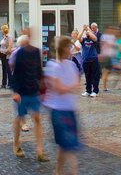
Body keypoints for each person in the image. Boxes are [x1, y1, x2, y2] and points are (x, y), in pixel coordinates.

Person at [44, 36, 82, 175]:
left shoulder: (71, 65)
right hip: (58, 111)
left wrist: (68, 87)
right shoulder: (52, 66)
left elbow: (76, 84)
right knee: (68, 146)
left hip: (70, 109)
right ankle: (74, 172)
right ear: (64, 49)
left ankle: (58, 172)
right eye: (69, 47)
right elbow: (59, 89)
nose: (71, 50)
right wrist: (70, 87)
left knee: (65, 146)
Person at [10, 28, 47, 162]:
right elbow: (15, 72)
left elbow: (39, 70)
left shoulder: (36, 51)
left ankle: (39, 150)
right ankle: (16, 144)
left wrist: (43, 87)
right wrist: (15, 92)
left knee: (37, 118)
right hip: (22, 91)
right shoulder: (19, 53)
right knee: (19, 118)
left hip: (33, 90)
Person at [79, 24, 100, 97]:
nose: (87, 33)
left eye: (88, 31)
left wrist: (88, 29)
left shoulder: (93, 40)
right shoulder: (83, 40)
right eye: (86, 32)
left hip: (94, 60)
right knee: (88, 77)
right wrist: (83, 30)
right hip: (86, 61)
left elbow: (94, 37)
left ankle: (95, 91)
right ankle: (88, 91)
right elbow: (79, 38)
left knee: (95, 76)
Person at [100, 25, 118, 92]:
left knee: (111, 71)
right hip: (106, 56)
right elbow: (103, 44)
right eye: (110, 29)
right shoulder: (104, 36)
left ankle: (107, 85)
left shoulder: (113, 36)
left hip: (112, 56)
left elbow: (115, 45)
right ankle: (104, 87)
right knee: (106, 71)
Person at [0, 24, 13, 89]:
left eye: (1, 29)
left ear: (4, 30)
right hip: (2, 54)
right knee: (4, 69)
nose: (1, 31)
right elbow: (1, 45)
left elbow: (10, 45)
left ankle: (10, 84)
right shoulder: (4, 37)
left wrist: (7, 52)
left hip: (7, 55)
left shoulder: (9, 37)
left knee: (8, 69)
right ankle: (3, 83)